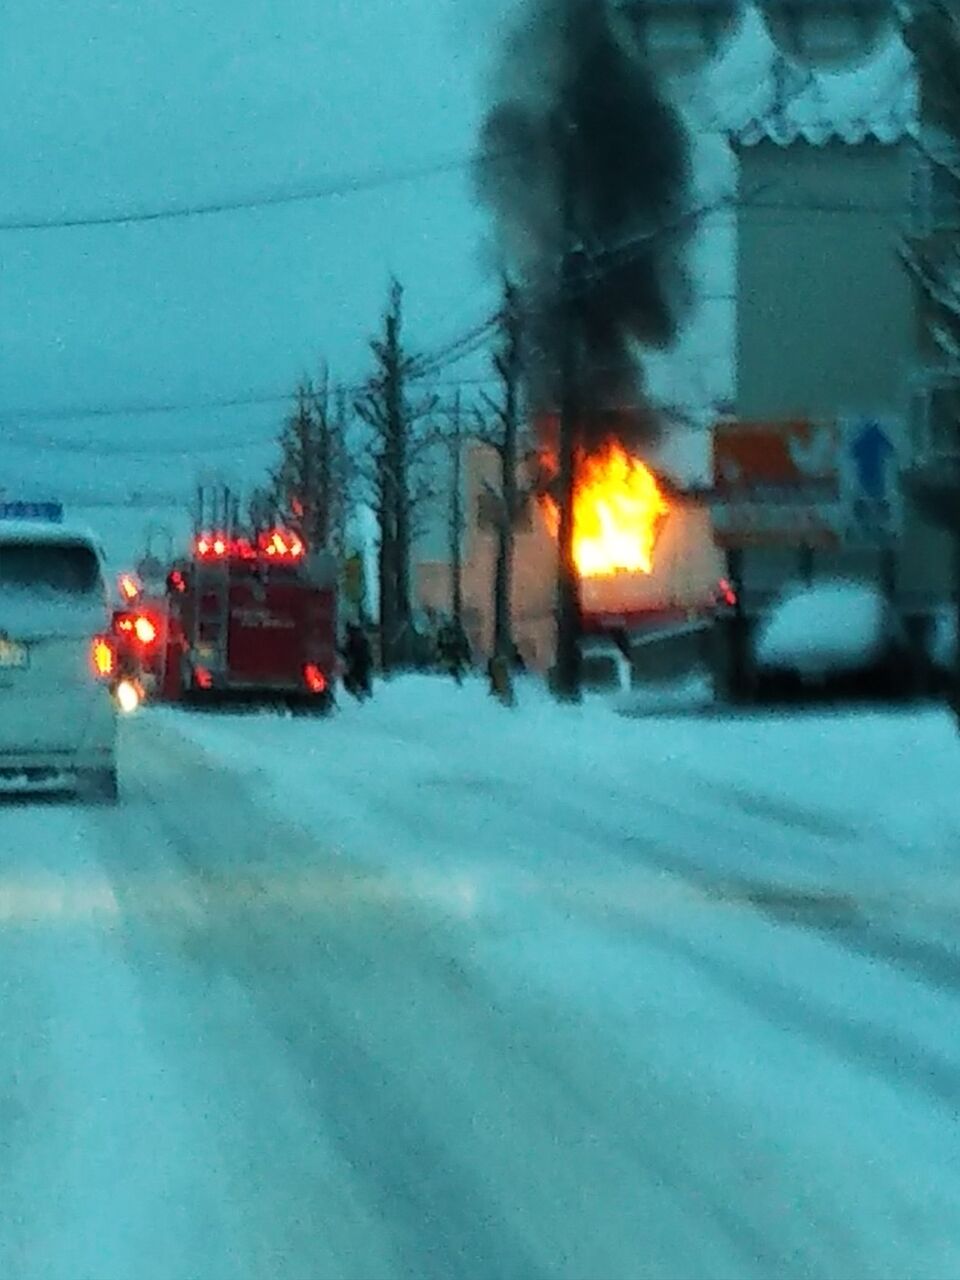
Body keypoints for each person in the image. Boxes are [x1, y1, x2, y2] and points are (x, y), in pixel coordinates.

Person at [341, 622, 373, 701]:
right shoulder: (362, 640)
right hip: (360, 665)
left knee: (355, 682)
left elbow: (351, 653)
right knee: (362, 683)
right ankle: (364, 697)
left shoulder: (356, 641)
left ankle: (363, 697)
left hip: (358, 665)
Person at [437, 619, 470, 685]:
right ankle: (458, 679)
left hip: (452, 653)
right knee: (453, 667)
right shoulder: (446, 632)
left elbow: (440, 644)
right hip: (451, 653)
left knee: (454, 667)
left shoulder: (455, 632)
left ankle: (458, 679)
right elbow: (440, 644)